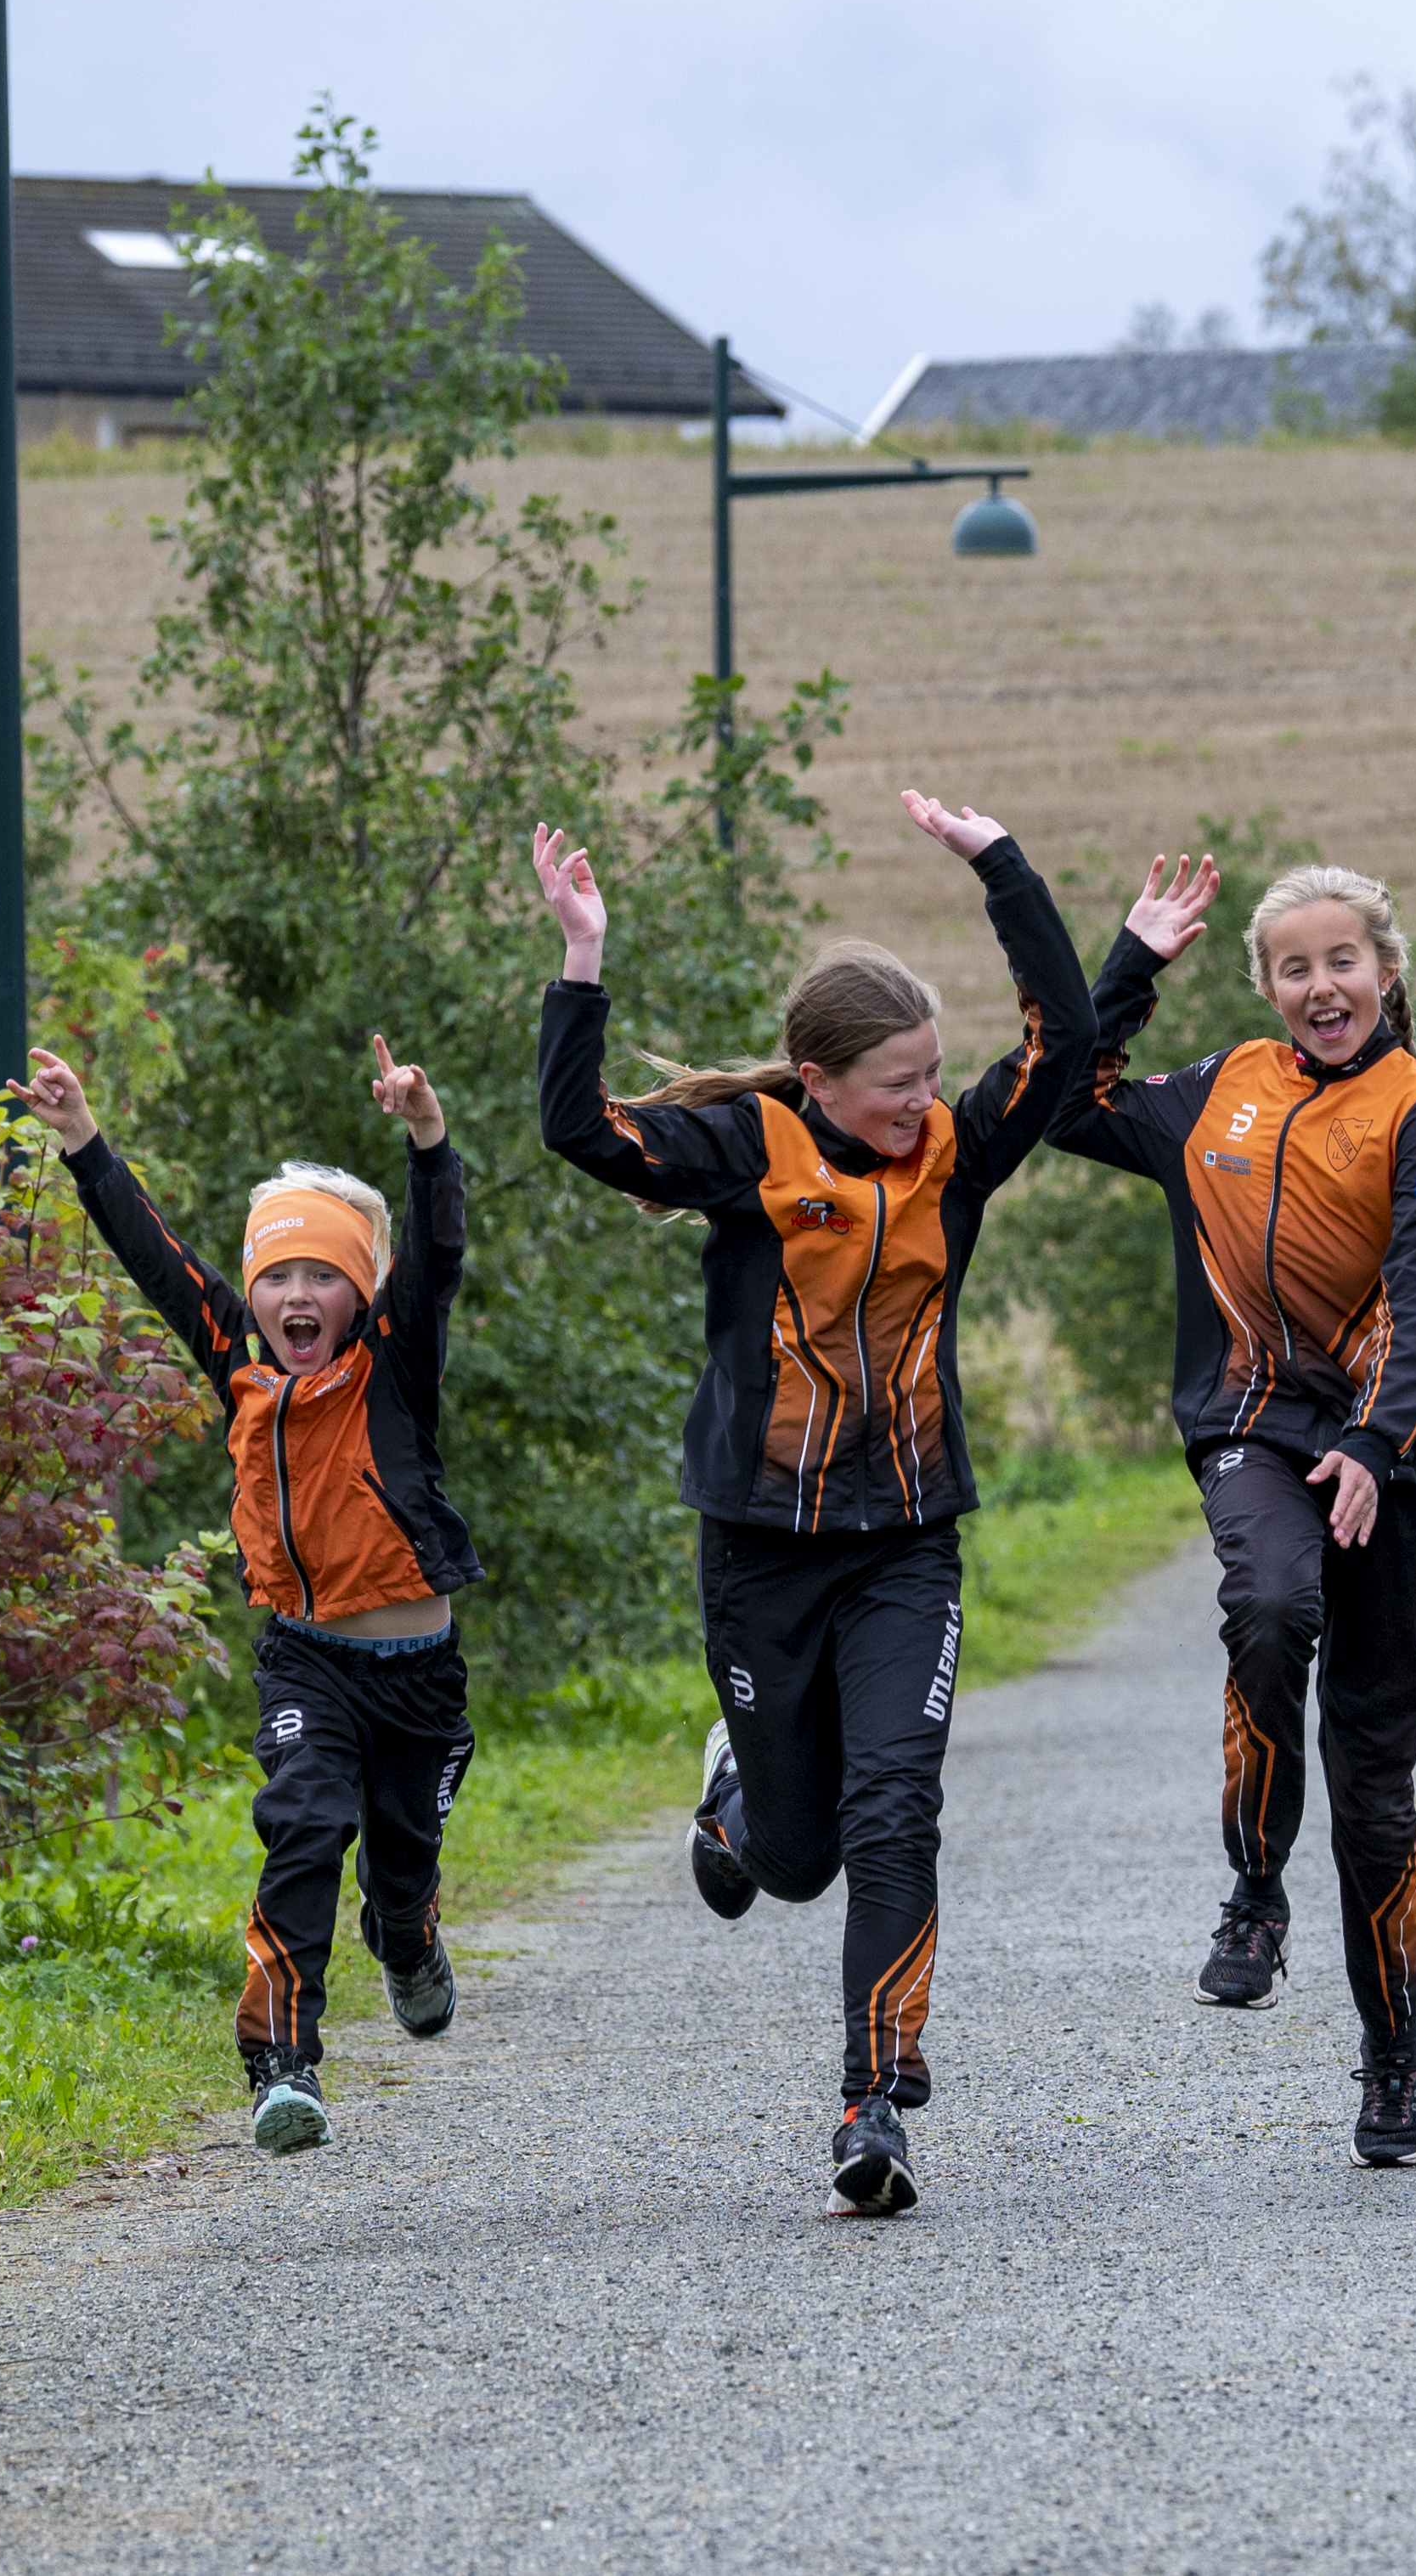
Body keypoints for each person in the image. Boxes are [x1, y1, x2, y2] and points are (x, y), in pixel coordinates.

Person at [531, 787, 1088, 2218]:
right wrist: (581, 959)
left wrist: (997, 867)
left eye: (931, 1073)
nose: (919, 1101)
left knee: (897, 1812)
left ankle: (873, 2100)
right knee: (794, 1860)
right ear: (817, 1077)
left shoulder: (954, 1159)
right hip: (762, 1552)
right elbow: (583, 1134)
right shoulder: (753, 1154)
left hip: (907, 1543)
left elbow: (1064, 1046)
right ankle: (734, 1804)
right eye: (896, 1080)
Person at [1046, 852, 1416, 2170]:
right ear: (1270, 987)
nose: (1320, 984)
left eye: (1342, 960)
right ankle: (1252, 1890)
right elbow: (1065, 1097)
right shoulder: (1218, 1088)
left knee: (1376, 1790)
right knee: (1269, 1604)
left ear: (1385, 973)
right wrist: (1129, 965)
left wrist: (1368, 1440)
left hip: (1384, 1453)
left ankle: (1392, 2056)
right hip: (1248, 1424)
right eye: (1294, 966)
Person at [6, 1034, 478, 2160]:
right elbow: (157, 1258)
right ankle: (282, 2066)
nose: (297, 1294)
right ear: (256, 1291)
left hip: (417, 1672)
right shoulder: (239, 1357)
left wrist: (426, 1136)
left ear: (361, 1290)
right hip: (304, 1655)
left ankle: (405, 1935)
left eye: (324, 1275)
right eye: (278, 1275)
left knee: (401, 1858)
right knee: (304, 1825)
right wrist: (83, 1141)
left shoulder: (394, 1359)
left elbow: (439, 1249)